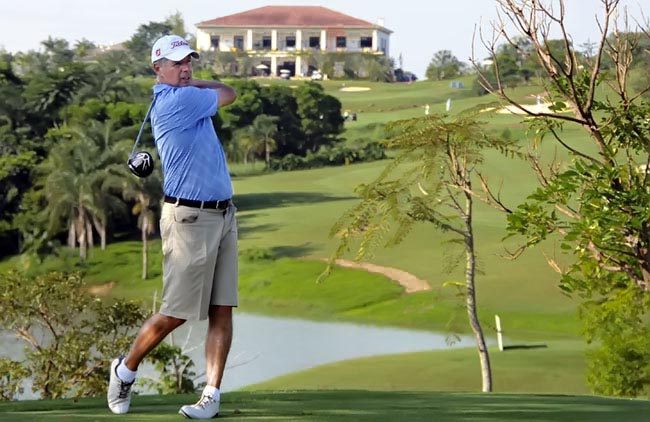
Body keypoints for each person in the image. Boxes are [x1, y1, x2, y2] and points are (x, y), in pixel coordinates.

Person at [107, 34, 238, 419]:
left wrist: (190, 80)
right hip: (190, 219)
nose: (186, 69)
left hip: (224, 214)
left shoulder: (182, 93)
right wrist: (191, 84)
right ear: (157, 68)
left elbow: (224, 91)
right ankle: (125, 368)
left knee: (222, 308)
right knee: (176, 312)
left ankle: (211, 396)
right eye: (178, 64)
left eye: (189, 62)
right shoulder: (177, 102)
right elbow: (229, 92)